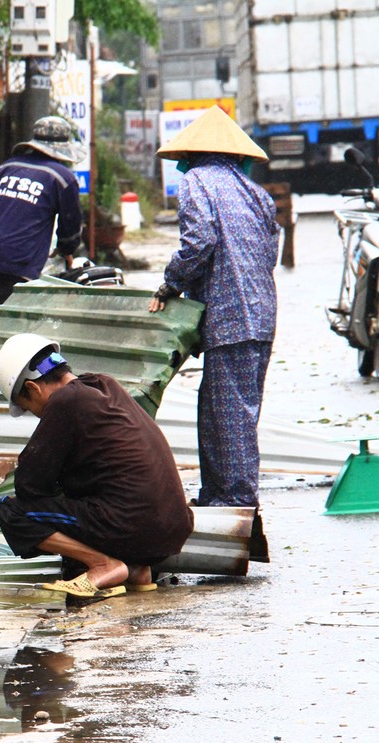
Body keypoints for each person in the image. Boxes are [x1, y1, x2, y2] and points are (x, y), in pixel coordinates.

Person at [147, 105, 279, 510]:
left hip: (229, 316)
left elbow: (199, 241)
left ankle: (237, 502)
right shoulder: (257, 194)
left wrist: (171, 283)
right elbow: (271, 251)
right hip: (261, 315)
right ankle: (218, 496)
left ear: (192, 155)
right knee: (226, 412)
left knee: (228, 417)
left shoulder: (196, 182)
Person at [0, 333, 194, 598]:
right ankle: (137, 570)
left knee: (14, 513)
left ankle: (103, 565)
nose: (37, 415)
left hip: (133, 527)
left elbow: (29, 485)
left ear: (33, 388)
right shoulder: (105, 385)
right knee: (94, 493)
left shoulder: (64, 401)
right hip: (172, 529)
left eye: (29, 408)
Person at [0, 116, 85, 318]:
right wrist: (67, 250)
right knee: (9, 329)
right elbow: (70, 227)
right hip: (18, 262)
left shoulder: (7, 167)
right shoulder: (63, 178)